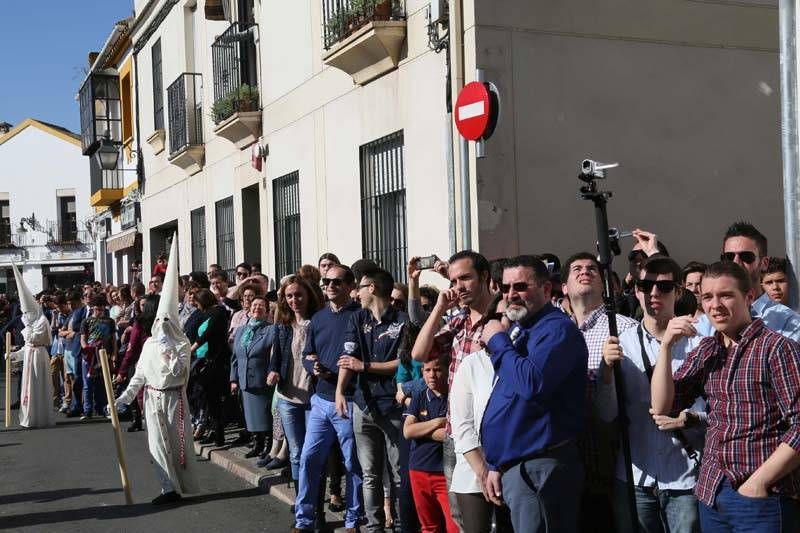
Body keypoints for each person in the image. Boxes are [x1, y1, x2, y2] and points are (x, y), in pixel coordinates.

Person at [651, 261, 800, 530]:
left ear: (749, 297)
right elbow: (662, 406)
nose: (715, 305)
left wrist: (759, 482)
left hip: (761, 497)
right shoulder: (708, 349)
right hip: (712, 491)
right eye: (707, 297)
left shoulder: (777, 349)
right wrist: (665, 348)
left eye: (726, 295)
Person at [480, 255, 588, 532]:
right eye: (505, 288)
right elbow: (509, 397)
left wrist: (498, 341)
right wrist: (495, 462)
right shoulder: (521, 328)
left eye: (520, 287)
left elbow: (532, 384)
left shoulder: (556, 329)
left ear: (547, 290)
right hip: (516, 464)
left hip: (542, 465)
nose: (510, 295)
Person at [600, 256, 705, 533]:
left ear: (679, 292)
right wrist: (605, 372)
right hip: (635, 476)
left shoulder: (699, 344)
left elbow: (718, 408)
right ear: (636, 290)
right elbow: (605, 413)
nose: (654, 293)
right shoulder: (622, 344)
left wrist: (691, 418)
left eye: (664, 287)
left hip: (686, 477)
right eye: (646, 286)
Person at [411, 250, 494, 530]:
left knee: (496, 516)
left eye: (465, 278)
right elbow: (420, 353)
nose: (459, 286)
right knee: (460, 517)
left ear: (484, 277)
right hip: (456, 433)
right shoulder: (458, 322)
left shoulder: (501, 318)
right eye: (454, 280)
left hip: (492, 433)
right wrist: (438, 308)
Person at [115, 237, 200, 504]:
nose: (162, 324)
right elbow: (140, 374)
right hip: (152, 397)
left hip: (174, 397)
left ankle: (182, 483)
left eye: (167, 320)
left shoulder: (183, 344)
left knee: (177, 444)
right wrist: (123, 399)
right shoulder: (150, 343)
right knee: (156, 444)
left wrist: (170, 352)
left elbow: (180, 372)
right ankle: (167, 488)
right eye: (159, 320)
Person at [560, 251, 638, 531]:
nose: (585, 271)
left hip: (610, 461)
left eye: (592, 268)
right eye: (577, 268)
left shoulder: (625, 329)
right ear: (564, 287)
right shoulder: (553, 332)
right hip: (565, 462)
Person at [337, 267, 409, 533]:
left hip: (392, 405)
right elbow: (348, 358)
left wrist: (364, 366)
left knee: (400, 474)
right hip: (362, 405)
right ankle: (374, 527)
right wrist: (339, 392)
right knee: (370, 475)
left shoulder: (402, 321)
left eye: (360, 285)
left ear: (373, 288)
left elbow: (402, 363)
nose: (356, 291)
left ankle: (404, 525)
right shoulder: (357, 319)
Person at [292, 264, 363, 533]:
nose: (330, 286)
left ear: (350, 285)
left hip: (349, 400)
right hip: (320, 401)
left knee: (352, 464)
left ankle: (353, 521)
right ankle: (304, 520)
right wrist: (314, 367)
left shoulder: (360, 316)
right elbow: (307, 355)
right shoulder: (319, 318)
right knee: (309, 459)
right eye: (326, 282)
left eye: (336, 281)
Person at [696, 221, 800, 340]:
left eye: (746, 257)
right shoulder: (705, 322)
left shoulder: (787, 322)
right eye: (728, 257)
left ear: (764, 263)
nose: (736, 263)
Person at [449, 344, 513, 533]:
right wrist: (483, 472)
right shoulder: (471, 364)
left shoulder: (522, 359)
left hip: (511, 468)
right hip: (473, 467)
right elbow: (461, 425)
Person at [267, 275, 322, 483]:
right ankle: (302, 500)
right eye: (289, 296)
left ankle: (314, 497)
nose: (294, 300)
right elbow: (277, 355)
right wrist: (273, 371)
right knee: (296, 451)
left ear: (308, 295)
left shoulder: (317, 322)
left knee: (312, 451)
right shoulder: (283, 324)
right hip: (288, 396)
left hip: (313, 396)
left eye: (298, 295)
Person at [403, 354, 458, 533]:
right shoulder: (420, 395)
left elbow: (450, 436)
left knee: (453, 526)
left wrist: (422, 430)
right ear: (422, 372)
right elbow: (408, 431)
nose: (432, 375)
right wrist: (436, 422)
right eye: (427, 370)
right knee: (428, 526)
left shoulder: (453, 396)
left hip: (444, 472)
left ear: (447, 370)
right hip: (418, 469)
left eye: (437, 370)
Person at [5, 263, 55, 428]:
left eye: (27, 313)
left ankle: (40, 417)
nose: (25, 316)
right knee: (29, 388)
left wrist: (26, 328)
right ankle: (29, 418)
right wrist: (13, 355)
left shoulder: (41, 321)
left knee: (38, 388)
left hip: (38, 358)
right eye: (24, 313)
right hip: (30, 357)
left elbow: (34, 339)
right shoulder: (32, 321)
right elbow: (27, 346)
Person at [231, 295, 275, 459]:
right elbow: (235, 357)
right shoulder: (242, 330)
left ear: (267, 311)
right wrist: (233, 379)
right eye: (254, 305)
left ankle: (268, 446)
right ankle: (257, 444)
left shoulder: (271, 330)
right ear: (249, 309)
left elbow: (274, 355)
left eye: (261, 306)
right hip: (244, 380)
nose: (257, 308)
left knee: (265, 416)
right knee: (250, 416)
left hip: (262, 379)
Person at [191, 288, 232, 447]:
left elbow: (206, 335)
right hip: (206, 359)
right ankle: (214, 430)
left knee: (213, 398)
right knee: (207, 398)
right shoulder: (207, 314)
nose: (195, 304)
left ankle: (218, 433)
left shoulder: (217, 314)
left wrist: (192, 348)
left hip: (215, 361)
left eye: (197, 301)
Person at [115, 295, 155, 432]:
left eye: (146, 305)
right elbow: (131, 347)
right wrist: (123, 370)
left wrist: (122, 371)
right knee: (137, 390)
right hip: (140, 362)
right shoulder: (138, 321)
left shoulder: (158, 321)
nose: (144, 308)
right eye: (141, 305)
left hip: (150, 363)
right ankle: (137, 419)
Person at [80, 294, 117, 420]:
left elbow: (113, 340)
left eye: (101, 309)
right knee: (88, 383)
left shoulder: (110, 321)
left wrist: (114, 354)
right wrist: (87, 351)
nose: (99, 312)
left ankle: (104, 408)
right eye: (96, 309)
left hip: (104, 354)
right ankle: (87, 410)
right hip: (89, 356)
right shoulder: (86, 321)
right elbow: (83, 339)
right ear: (92, 309)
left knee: (104, 383)